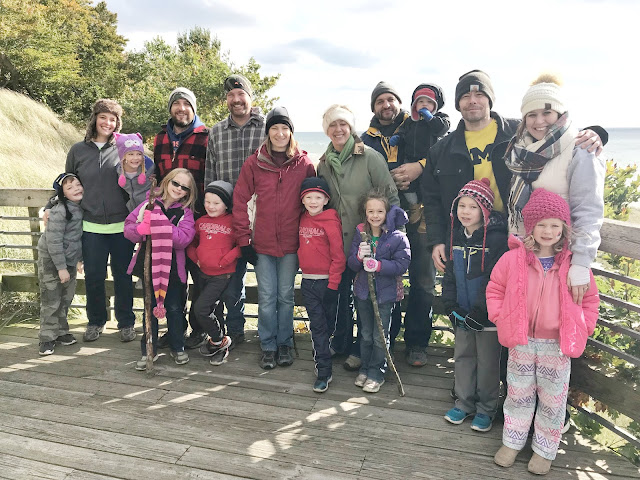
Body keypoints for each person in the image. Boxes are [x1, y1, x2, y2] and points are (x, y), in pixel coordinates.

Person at [422, 70, 606, 275]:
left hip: (511, 238)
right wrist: (437, 241)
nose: (472, 100)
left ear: (490, 99)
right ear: (458, 103)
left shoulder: (515, 134)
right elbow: (431, 200)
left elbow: (555, 135)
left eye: (479, 94)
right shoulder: (441, 150)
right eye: (465, 96)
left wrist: (596, 133)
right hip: (465, 239)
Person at [487, 189, 599, 475]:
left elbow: (589, 300)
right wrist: (501, 317)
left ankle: (544, 449)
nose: (548, 231)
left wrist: (583, 326)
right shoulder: (513, 259)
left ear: (564, 229)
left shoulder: (574, 265)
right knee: (518, 395)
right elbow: (495, 288)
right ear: (530, 227)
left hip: (557, 345)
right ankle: (512, 442)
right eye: (541, 225)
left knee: (552, 400)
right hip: (521, 341)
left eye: (554, 225)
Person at [364, 82, 446, 367]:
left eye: (391, 99)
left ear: (400, 103)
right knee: (387, 279)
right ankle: (385, 340)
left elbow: (443, 151)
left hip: (423, 217)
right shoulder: (367, 139)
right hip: (385, 223)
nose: (386, 105)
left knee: (423, 282)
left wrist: (419, 166)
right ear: (374, 108)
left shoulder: (422, 124)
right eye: (379, 101)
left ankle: (417, 343)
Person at [505, 73, 605, 305]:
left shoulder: (581, 149)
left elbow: (588, 210)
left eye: (546, 113)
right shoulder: (520, 150)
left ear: (560, 114)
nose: (539, 121)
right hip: (525, 252)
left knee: (558, 319)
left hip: (561, 256)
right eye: (531, 115)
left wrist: (581, 263)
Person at [316, 104, 399, 371]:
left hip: (369, 243)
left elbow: (391, 198)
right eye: (332, 125)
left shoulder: (370, 157)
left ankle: (366, 352)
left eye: (343, 124)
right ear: (326, 130)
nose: (338, 129)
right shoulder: (324, 164)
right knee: (343, 299)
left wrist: (389, 239)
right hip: (338, 246)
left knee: (368, 299)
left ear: (351, 127)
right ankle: (342, 342)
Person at [233, 107, 315, 369]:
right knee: (267, 296)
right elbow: (240, 201)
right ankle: (268, 345)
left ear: (291, 132)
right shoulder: (254, 163)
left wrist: (309, 241)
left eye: (284, 128)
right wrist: (244, 240)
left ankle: (285, 344)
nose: (280, 133)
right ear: (268, 132)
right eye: (274, 128)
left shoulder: (304, 164)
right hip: (262, 245)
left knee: (286, 296)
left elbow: (313, 204)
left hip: (292, 245)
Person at [60, 99, 136, 343]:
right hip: (91, 226)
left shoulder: (124, 148)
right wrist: (52, 207)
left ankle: (126, 323)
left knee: (123, 276)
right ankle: (95, 321)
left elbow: (140, 179)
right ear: (95, 119)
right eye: (103, 117)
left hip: (122, 226)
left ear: (118, 123)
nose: (107, 123)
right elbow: (66, 184)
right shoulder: (78, 150)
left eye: (113, 119)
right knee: (94, 277)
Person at [441, 178, 508, 433]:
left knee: (489, 364)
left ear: (485, 210)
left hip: (487, 317)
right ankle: (464, 402)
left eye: (473, 207)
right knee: (463, 358)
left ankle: (486, 409)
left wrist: (482, 311)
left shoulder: (497, 241)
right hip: (462, 313)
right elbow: (449, 275)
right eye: (461, 206)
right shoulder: (456, 236)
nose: (466, 212)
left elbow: (494, 279)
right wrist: (450, 305)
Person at [205, 74, 266, 349]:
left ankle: (270, 334)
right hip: (229, 220)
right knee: (231, 282)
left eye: (241, 94)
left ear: (250, 97)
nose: (236, 99)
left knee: (269, 283)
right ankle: (236, 330)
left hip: (264, 217)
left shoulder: (267, 127)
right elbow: (210, 173)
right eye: (231, 95)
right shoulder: (216, 132)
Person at [124, 168, 197, 370]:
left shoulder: (185, 213)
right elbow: (129, 228)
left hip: (172, 270)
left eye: (184, 187)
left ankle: (177, 346)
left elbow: (184, 239)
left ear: (189, 193)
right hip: (148, 267)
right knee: (149, 308)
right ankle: (149, 348)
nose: (179, 189)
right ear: (167, 181)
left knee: (174, 309)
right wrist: (142, 228)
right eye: (176, 183)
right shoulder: (147, 205)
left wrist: (160, 225)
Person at [153, 87, 209, 349]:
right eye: (177, 103)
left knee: (200, 276)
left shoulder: (206, 136)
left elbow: (211, 174)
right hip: (168, 218)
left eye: (187, 104)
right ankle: (176, 329)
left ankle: (200, 329)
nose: (181, 108)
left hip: (197, 217)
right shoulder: (160, 137)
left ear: (193, 108)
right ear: (171, 108)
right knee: (174, 278)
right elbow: (156, 175)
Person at [347, 190, 410, 393]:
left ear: (387, 212)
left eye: (380, 211)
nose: (375, 215)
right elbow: (352, 264)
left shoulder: (397, 237)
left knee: (379, 336)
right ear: (365, 212)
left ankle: (377, 373)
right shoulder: (360, 233)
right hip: (363, 292)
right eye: (370, 211)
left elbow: (402, 264)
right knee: (365, 334)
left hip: (385, 294)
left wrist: (379, 266)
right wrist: (358, 257)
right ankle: (365, 368)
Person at [298, 177, 346, 393]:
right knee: (317, 327)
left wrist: (333, 286)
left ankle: (324, 355)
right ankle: (324, 372)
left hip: (327, 283)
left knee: (327, 327)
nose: (313, 201)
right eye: (308, 197)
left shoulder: (331, 222)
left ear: (326, 200)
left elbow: (338, 257)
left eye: (318, 197)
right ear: (302, 200)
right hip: (308, 281)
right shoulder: (302, 219)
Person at [186, 180, 240, 366]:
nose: (211, 206)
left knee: (201, 309)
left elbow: (242, 245)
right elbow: (191, 243)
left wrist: (225, 260)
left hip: (222, 276)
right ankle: (220, 346)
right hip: (203, 273)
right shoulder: (201, 222)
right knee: (213, 311)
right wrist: (196, 258)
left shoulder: (233, 222)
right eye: (207, 202)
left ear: (226, 204)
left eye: (216, 203)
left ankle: (218, 340)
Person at [37, 173, 84, 355]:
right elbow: (54, 242)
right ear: (62, 194)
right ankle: (47, 338)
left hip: (69, 260)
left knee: (66, 297)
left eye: (78, 184)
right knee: (51, 299)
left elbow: (77, 238)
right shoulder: (59, 211)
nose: (76, 189)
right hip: (52, 261)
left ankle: (61, 331)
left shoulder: (81, 208)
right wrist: (61, 268)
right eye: (70, 187)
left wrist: (79, 259)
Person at [114, 132, 154, 212]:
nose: (135, 158)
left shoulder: (150, 168)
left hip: (149, 209)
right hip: (131, 210)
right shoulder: (119, 170)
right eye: (131, 154)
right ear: (123, 156)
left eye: (139, 154)